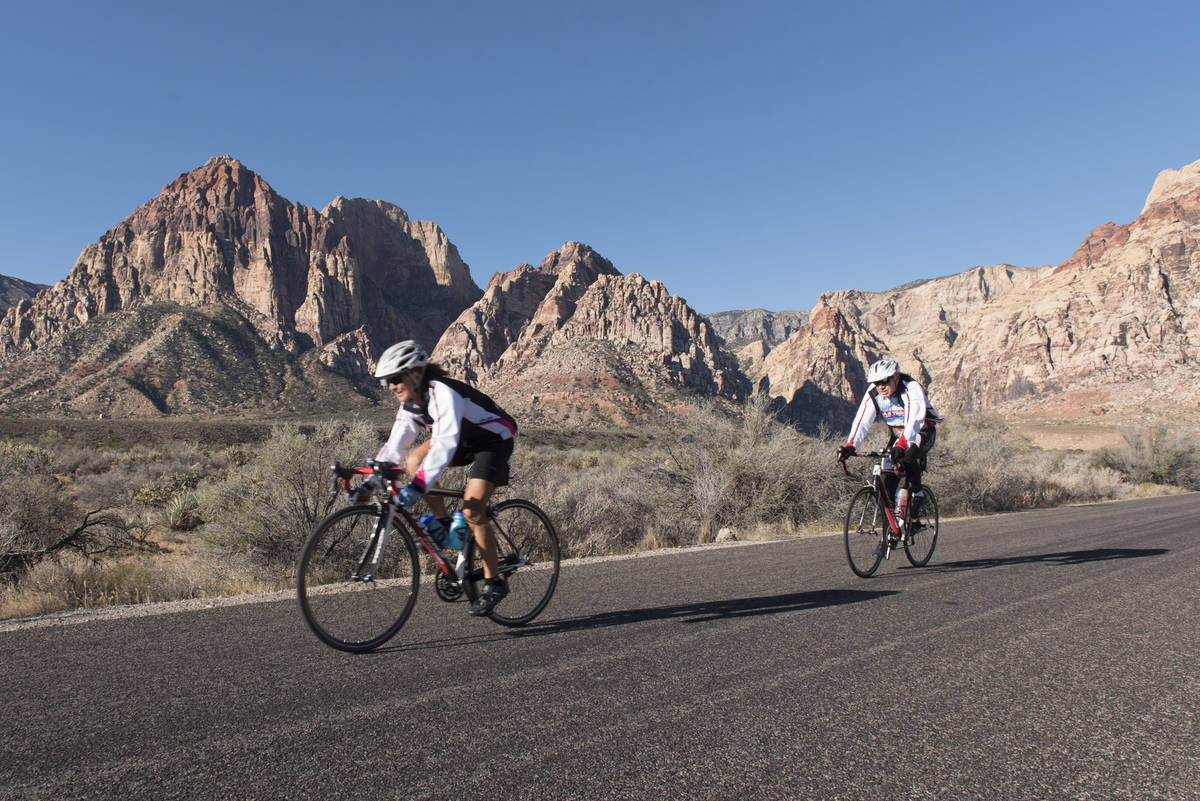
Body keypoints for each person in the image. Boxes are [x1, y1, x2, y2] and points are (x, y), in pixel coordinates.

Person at [372, 340, 518, 616]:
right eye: (385, 382)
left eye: (394, 378)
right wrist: (372, 478)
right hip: (464, 441)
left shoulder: (442, 393)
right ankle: (443, 524)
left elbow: (444, 444)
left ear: (415, 374)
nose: (390, 386)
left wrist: (416, 488)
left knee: (473, 510)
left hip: (493, 439)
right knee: (413, 459)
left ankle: (493, 582)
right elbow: (395, 447)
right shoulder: (411, 405)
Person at [837, 358, 940, 526]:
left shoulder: (911, 388)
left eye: (884, 381)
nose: (880, 386)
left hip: (922, 430)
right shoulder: (874, 392)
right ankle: (889, 534)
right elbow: (862, 420)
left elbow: (914, 420)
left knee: (907, 456)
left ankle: (918, 495)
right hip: (897, 434)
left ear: (896, 377)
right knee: (885, 483)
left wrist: (901, 445)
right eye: (876, 383)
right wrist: (851, 445)